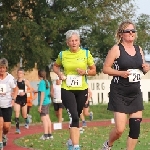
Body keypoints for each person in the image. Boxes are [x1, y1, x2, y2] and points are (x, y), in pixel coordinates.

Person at [101, 20, 150, 150]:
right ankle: (108, 145)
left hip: (135, 92)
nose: (131, 33)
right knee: (119, 129)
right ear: (121, 34)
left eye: (133, 31)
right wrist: (120, 73)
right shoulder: (116, 49)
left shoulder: (138, 49)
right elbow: (105, 69)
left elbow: (142, 69)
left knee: (135, 128)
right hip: (119, 92)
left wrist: (146, 68)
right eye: (128, 31)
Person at [53, 30, 96, 150]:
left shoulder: (86, 54)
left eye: (76, 40)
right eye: (71, 40)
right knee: (74, 117)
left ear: (79, 41)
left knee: (76, 115)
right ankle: (76, 147)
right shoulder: (63, 55)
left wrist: (85, 72)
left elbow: (94, 70)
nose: (74, 42)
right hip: (67, 89)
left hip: (82, 89)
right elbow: (55, 66)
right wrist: (59, 74)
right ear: (67, 43)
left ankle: (71, 141)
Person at [0, 58, 18, 150]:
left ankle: (4, 135)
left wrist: (13, 99)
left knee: (6, 127)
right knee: (0, 124)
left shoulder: (10, 78)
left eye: (3, 68)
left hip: (7, 104)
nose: (1, 70)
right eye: (0, 68)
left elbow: (16, 89)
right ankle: (0, 144)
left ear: (6, 68)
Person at [14, 68, 32, 133]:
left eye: (21, 73)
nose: (19, 74)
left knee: (24, 115)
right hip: (17, 99)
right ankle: (17, 129)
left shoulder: (25, 81)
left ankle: (27, 120)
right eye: (18, 73)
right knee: (17, 112)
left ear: (23, 74)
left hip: (24, 99)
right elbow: (13, 89)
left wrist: (25, 92)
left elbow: (31, 89)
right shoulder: (15, 81)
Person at [37, 69, 53, 140]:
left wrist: (40, 105)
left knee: (44, 119)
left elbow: (42, 93)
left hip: (43, 103)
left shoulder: (41, 83)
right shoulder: (47, 82)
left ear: (39, 75)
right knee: (47, 118)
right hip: (47, 102)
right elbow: (48, 92)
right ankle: (50, 134)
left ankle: (45, 135)